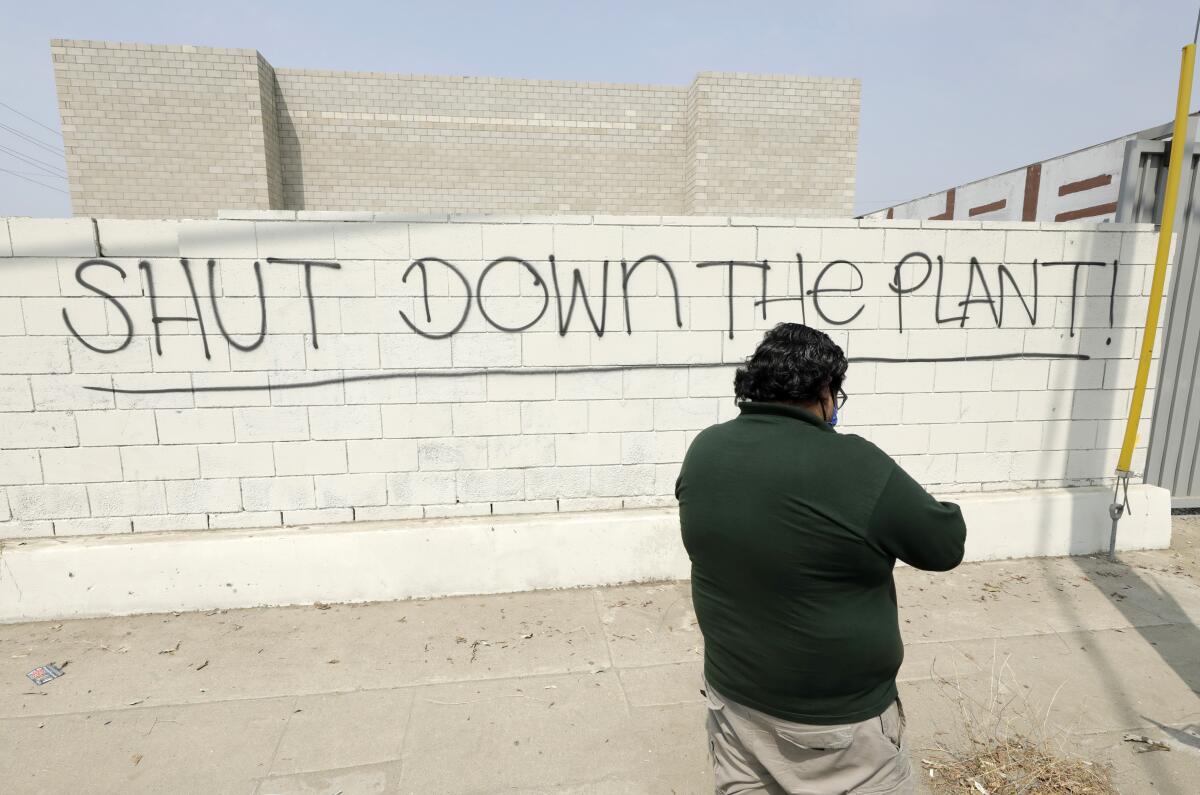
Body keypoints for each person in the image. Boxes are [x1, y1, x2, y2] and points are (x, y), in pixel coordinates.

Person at [676, 323, 967, 794]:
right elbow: (944, 545)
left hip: (733, 705)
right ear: (826, 393)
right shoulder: (855, 465)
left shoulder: (705, 448)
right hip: (836, 734)